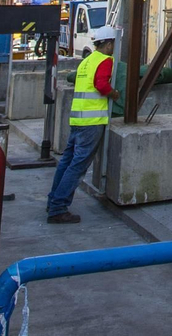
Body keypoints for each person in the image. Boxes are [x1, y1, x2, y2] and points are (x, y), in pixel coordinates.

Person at [46, 24, 116, 223]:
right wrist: (114, 93)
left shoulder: (87, 61)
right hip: (92, 121)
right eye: (114, 44)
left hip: (78, 118)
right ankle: (58, 208)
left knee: (67, 162)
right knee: (78, 166)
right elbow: (101, 85)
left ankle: (53, 201)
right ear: (109, 44)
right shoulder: (105, 60)